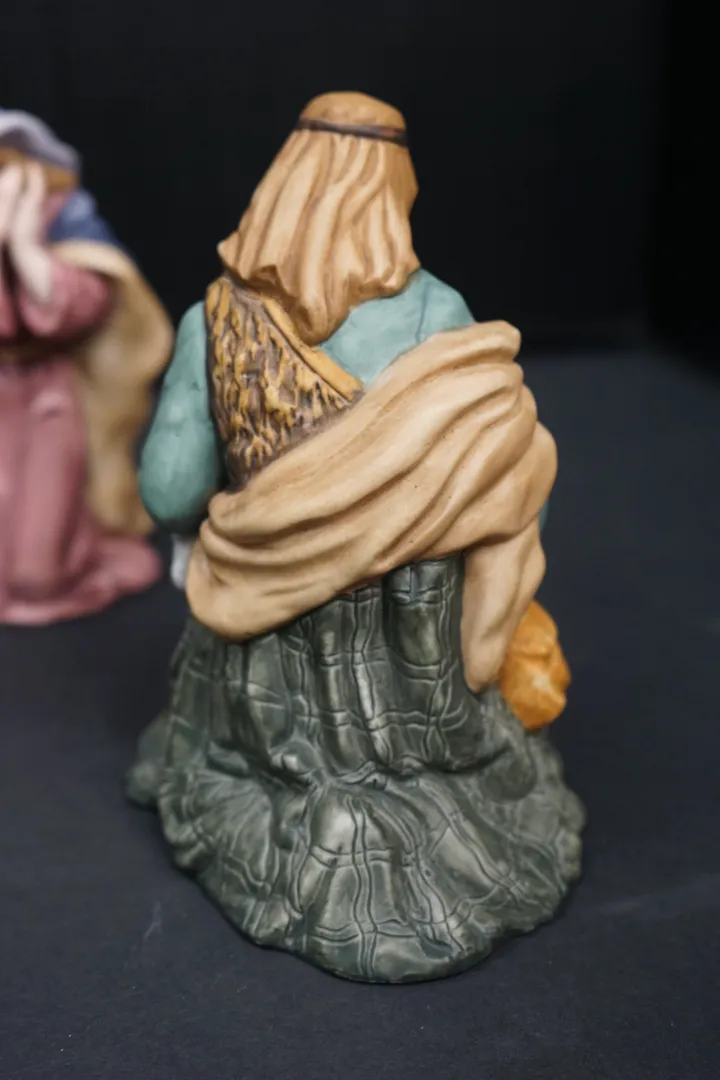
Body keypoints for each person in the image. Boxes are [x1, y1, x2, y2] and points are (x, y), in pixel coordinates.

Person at [129, 92, 584, 983]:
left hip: (268, 641)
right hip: (417, 653)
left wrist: (255, 508)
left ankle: (315, 822)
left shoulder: (213, 321)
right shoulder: (440, 315)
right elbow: (510, 478)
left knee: (283, 780)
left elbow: (168, 490)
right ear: (397, 195)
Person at [0, 111, 172, 624]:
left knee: (37, 572)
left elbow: (88, 302)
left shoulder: (61, 214)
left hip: (45, 398)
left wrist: (24, 246)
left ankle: (76, 560)